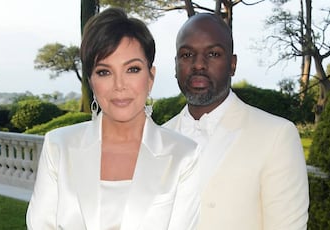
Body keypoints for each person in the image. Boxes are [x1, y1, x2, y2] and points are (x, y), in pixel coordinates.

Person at [26, 7, 200, 230]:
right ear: (91, 81)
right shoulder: (58, 146)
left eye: (133, 69)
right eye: (104, 72)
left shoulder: (183, 155)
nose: (119, 85)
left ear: (150, 77)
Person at [164, 13, 309, 229]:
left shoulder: (276, 136)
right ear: (176, 64)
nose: (198, 65)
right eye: (187, 54)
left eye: (213, 54)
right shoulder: (157, 138)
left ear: (232, 64)